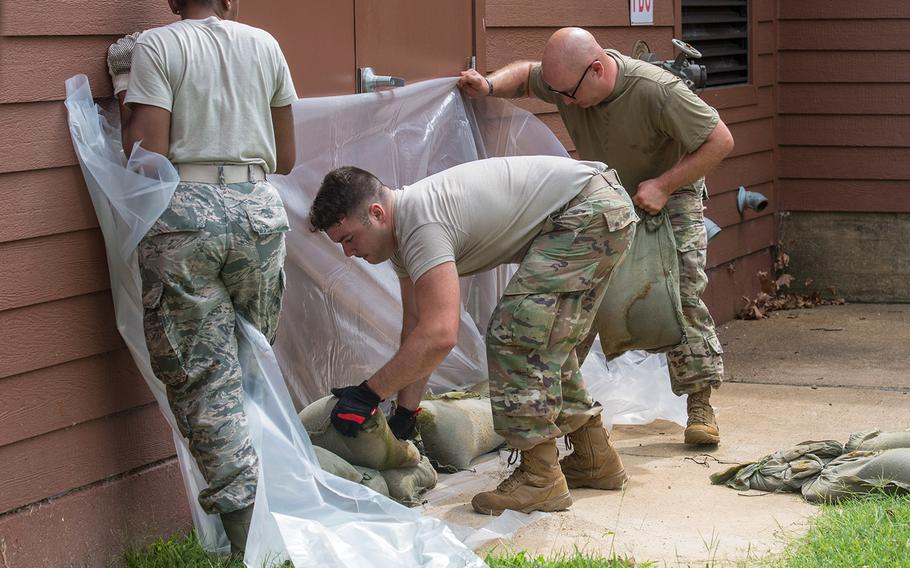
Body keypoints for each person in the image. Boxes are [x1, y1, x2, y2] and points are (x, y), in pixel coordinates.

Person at [310, 155, 637, 515]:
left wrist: (368, 394)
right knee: (541, 336)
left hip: (589, 210)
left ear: (376, 213)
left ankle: (540, 480)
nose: (348, 252)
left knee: (515, 334)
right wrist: (404, 412)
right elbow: (417, 328)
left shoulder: (420, 223)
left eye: (349, 239)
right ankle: (595, 459)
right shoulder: (402, 237)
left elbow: (440, 334)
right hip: (594, 206)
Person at [458, 27, 735, 446]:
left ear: (598, 68)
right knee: (578, 293)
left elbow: (720, 140)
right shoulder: (568, 81)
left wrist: (662, 185)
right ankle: (553, 411)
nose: (564, 102)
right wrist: (490, 84)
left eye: (568, 93)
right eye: (558, 93)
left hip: (670, 194)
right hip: (606, 196)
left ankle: (700, 404)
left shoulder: (656, 90)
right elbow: (528, 74)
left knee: (683, 293)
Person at [106, 0, 296, 554]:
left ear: (171, 2)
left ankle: (247, 538)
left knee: (206, 380)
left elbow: (147, 155)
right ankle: (277, 505)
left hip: (186, 219)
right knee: (249, 363)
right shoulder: (266, 44)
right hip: (260, 216)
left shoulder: (157, 46)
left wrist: (125, 91)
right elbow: (285, 155)